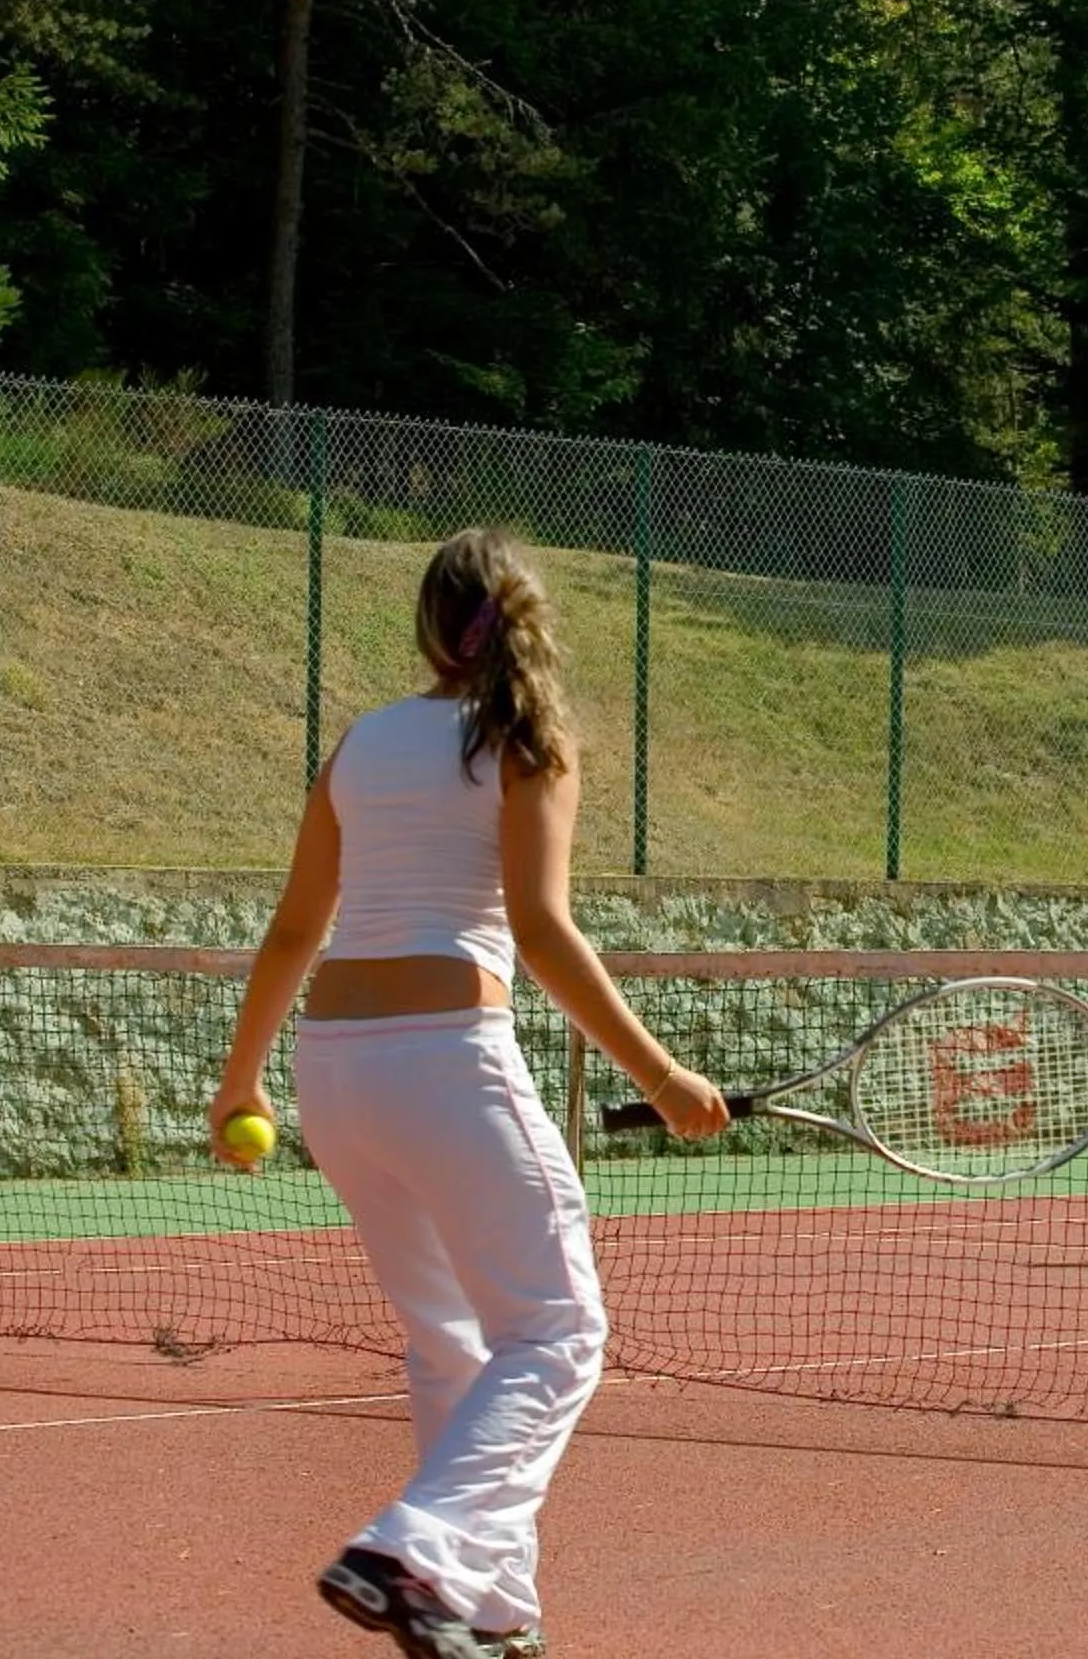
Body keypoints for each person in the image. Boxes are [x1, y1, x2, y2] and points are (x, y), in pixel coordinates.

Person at [211, 527, 728, 1659]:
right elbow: (541, 928)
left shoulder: (361, 741)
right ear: (529, 619)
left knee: (451, 1340)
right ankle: (421, 1547)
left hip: (335, 1071)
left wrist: (239, 1076)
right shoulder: (529, 736)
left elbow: (298, 926)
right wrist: (662, 1072)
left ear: (430, 626)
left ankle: (488, 1609)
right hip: (447, 1055)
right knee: (558, 1330)